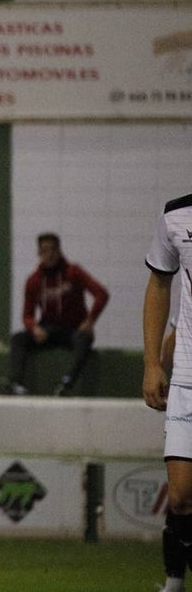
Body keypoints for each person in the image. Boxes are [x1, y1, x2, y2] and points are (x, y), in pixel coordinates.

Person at [143, 193, 192, 592]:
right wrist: (153, 364)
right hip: (188, 382)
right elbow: (159, 283)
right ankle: (173, 580)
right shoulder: (177, 215)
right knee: (180, 498)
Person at [7, 232, 109, 396]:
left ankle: (67, 382)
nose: (50, 254)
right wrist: (34, 328)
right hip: (48, 330)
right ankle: (15, 382)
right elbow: (27, 315)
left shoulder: (73, 272)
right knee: (18, 339)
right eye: (45, 250)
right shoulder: (34, 280)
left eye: (53, 250)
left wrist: (90, 320)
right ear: (39, 253)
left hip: (73, 330)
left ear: (59, 251)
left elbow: (101, 294)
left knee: (85, 339)